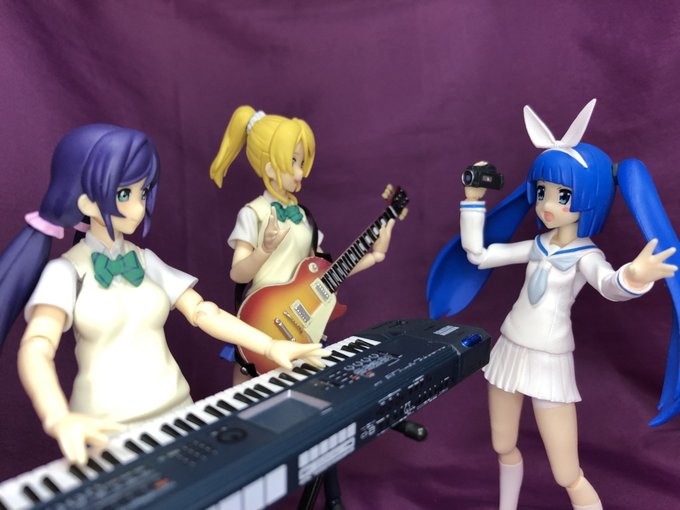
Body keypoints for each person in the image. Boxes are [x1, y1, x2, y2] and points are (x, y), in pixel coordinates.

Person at [0, 124, 327, 465]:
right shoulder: (65, 272)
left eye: (143, 193)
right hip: (108, 427)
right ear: (85, 200)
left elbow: (204, 312)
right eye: (124, 194)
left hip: (177, 411)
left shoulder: (145, 261)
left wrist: (270, 346)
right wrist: (57, 417)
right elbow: (37, 347)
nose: (139, 207)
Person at [427, 100, 679, 510]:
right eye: (542, 191)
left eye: (562, 195)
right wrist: (473, 201)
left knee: (568, 473)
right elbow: (479, 255)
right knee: (503, 445)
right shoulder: (538, 244)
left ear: (590, 198)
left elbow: (609, 284)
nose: (547, 204)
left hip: (548, 360)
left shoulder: (586, 255)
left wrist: (634, 276)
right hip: (510, 348)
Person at [209, 106, 395, 510]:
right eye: (293, 161)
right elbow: (237, 271)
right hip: (259, 324)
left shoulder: (307, 220)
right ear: (268, 165)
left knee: (315, 421)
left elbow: (326, 269)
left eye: (301, 162)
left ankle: (327, 498)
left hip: (302, 329)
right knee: (247, 426)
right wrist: (264, 250)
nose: (300, 172)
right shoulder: (254, 213)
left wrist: (378, 244)